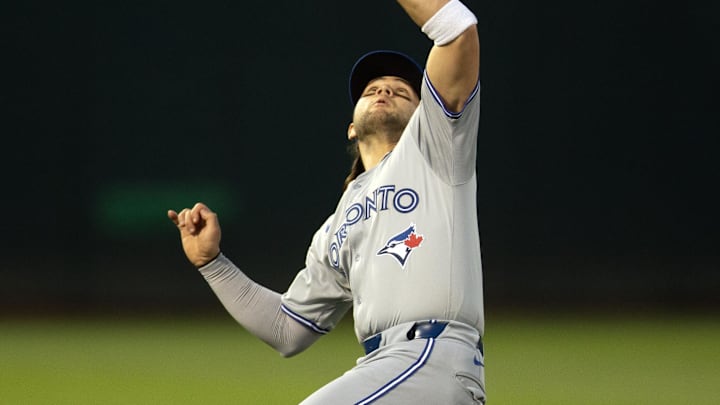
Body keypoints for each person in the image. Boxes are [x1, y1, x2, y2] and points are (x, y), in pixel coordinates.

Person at [168, 0, 484, 403]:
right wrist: (212, 264)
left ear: (426, 113)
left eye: (402, 91)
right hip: (388, 366)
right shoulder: (337, 227)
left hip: (429, 359)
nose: (385, 89)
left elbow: (458, 31)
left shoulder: (437, 149)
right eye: (372, 90)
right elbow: (287, 330)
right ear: (352, 127)